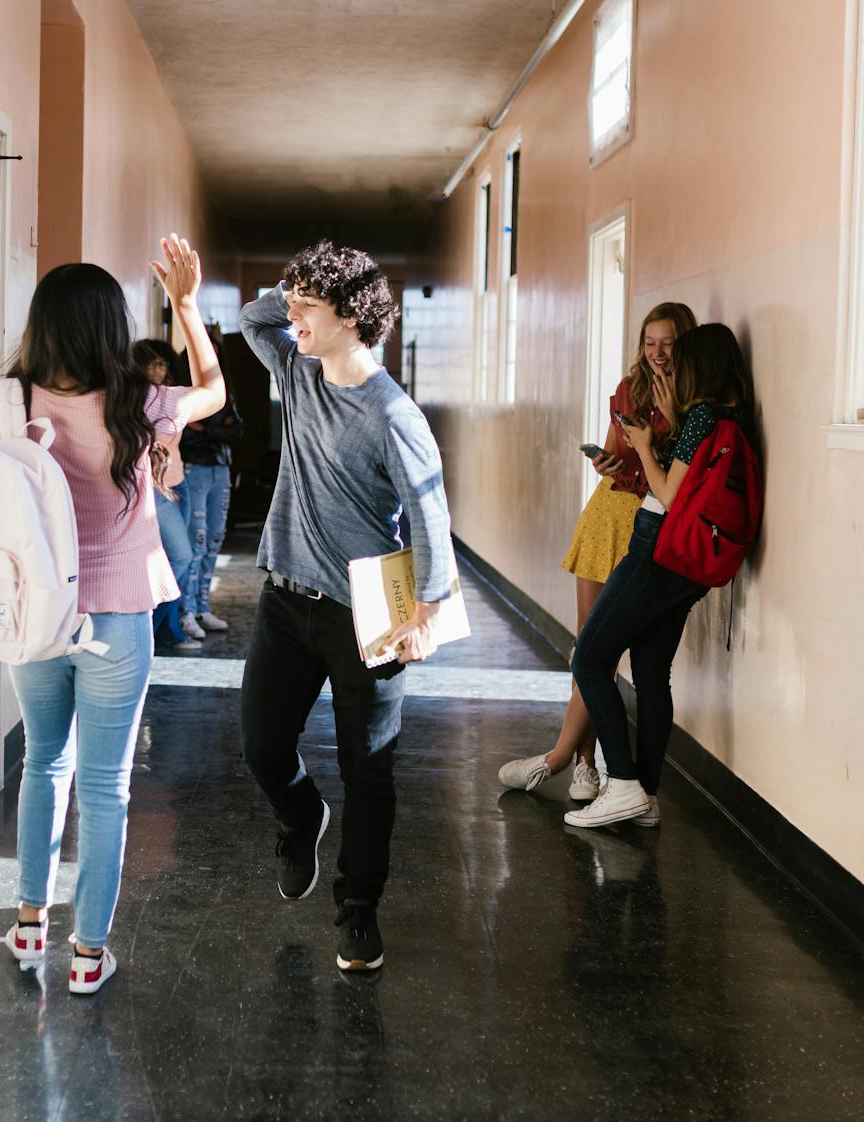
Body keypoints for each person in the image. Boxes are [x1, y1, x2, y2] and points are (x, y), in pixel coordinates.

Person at [0, 237, 224, 995]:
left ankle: (30, 922)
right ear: (110, 327)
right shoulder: (141, 403)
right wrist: (185, 305)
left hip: (38, 615)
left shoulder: (12, 402)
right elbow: (214, 389)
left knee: (42, 761)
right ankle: (88, 954)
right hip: (117, 619)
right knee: (104, 786)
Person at [238, 240, 456, 974]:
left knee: (369, 770)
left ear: (353, 316)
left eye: (309, 305)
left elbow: (429, 517)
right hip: (284, 599)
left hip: (367, 616)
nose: (293, 314)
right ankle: (302, 816)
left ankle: (358, 909)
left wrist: (427, 611)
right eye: (294, 301)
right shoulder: (296, 372)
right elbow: (254, 319)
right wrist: (298, 285)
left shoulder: (394, 415)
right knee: (262, 745)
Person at [496, 303, 696, 799]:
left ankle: (565, 758)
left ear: (685, 344)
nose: (657, 353)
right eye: (650, 342)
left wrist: (668, 421)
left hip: (649, 525)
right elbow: (617, 453)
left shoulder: (694, 399)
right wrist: (606, 463)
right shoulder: (631, 388)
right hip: (608, 513)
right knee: (588, 646)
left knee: (615, 651)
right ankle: (585, 767)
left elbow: (678, 477)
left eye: (668, 343)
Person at [564, 322, 756, 830]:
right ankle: (646, 797)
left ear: (702, 366)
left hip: (657, 551)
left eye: (682, 358)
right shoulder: (734, 416)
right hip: (691, 567)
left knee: (589, 658)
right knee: (651, 675)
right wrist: (672, 420)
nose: (673, 365)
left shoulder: (703, 416)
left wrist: (646, 443)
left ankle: (623, 783)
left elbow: (669, 494)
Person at [131, 339, 201, 652]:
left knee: (176, 557)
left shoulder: (171, 397)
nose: (159, 369)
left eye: (163, 363)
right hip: (154, 489)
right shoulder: (133, 400)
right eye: (152, 363)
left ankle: (167, 629)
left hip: (179, 483)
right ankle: (152, 622)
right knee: (181, 556)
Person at [179, 323, 241, 633]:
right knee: (196, 541)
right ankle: (186, 611)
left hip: (220, 470)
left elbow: (237, 431)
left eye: (214, 352)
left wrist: (206, 429)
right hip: (194, 470)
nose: (208, 358)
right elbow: (186, 435)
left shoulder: (225, 389)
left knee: (215, 538)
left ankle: (203, 607)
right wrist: (217, 430)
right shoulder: (180, 388)